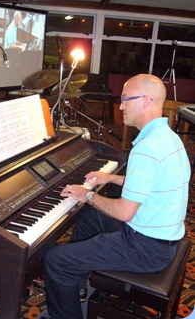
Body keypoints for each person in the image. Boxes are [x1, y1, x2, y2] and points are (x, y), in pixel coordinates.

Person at [40, 74, 191, 319]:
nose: (120, 106)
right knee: (89, 219)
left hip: (146, 248)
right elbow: (151, 185)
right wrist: (109, 178)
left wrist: (86, 195)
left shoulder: (147, 149)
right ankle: (77, 288)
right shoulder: (168, 138)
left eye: (125, 99)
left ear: (145, 100)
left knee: (57, 260)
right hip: (158, 237)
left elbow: (124, 212)